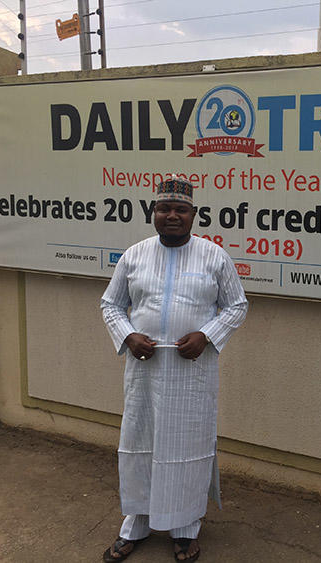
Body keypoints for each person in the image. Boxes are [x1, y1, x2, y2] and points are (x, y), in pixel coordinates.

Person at [100, 176, 248, 562]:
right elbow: (111, 304)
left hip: (191, 374)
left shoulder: (214, 257)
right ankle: (136, 522)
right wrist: (129, 336)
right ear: (153, 213)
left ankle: (184, 529)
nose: (171, 216)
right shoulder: (134, 255)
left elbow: (236, 306)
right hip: (144, 371)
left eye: (180, 209)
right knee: (139, 444)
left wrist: (207, 335)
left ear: (193, 215)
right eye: (163, 209)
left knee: (187, 448)